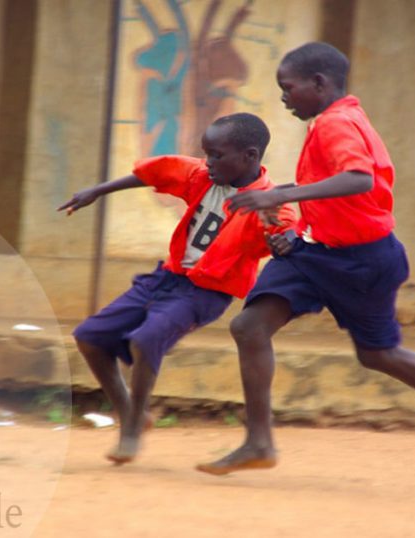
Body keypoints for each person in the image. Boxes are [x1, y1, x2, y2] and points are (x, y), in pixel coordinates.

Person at [196, 42, 415, 476]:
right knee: (250, 326)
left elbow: (359, 179)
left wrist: (281, 195)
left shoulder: (336, 123)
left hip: (363, 260)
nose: (284, 97)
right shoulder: (337, 119)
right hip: (318, 252)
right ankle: (259, 442)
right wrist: (287, 206)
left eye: (288, 87)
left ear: (319, 83)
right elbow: (337, 188)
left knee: (378, 354)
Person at [59, 112, 296, 464]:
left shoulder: (266, 200)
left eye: (217, 155)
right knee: (89, 337)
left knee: (146, 338)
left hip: (206, 291)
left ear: (249, 156)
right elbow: (154, 173)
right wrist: (97, 190)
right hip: (168, 277)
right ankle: (131, 411)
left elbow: (285, 229)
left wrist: (285, 242)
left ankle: (131, 430)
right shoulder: (202, 175)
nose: (208, 161)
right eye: (207, 153)